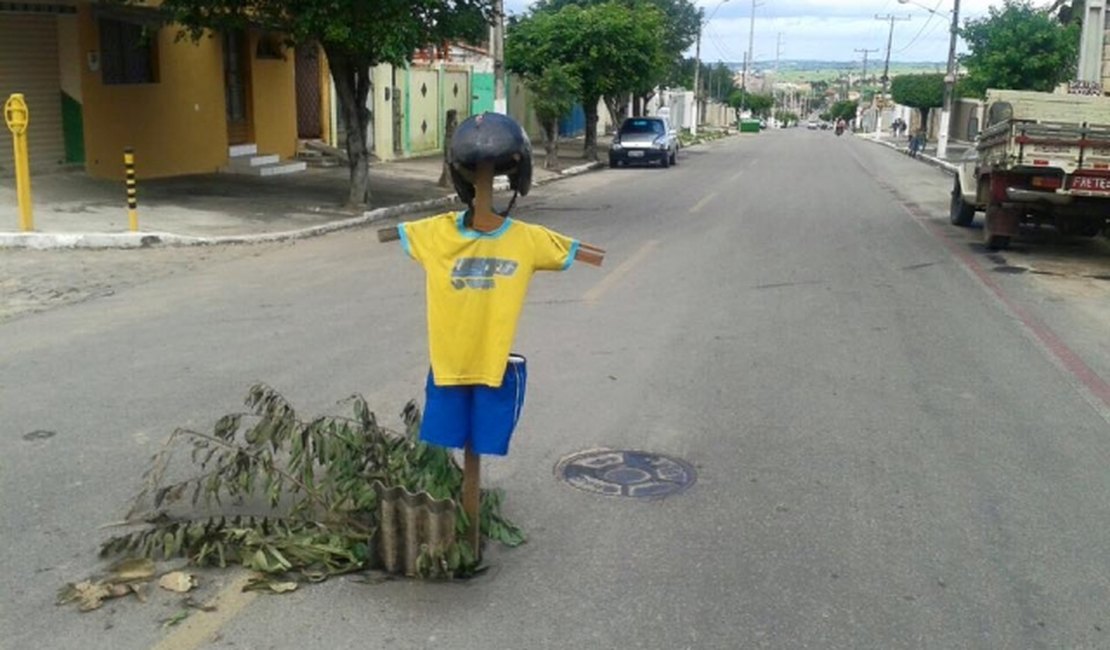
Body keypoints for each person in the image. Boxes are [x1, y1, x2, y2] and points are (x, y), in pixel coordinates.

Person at [395, 112, 602, 456]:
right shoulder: (434, 233)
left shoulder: (527, 239)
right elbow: (399, 234)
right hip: (447, 371)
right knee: (445, 445)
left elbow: (583, 254)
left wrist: (589, 254)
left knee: (484, 445)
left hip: (495, 370)